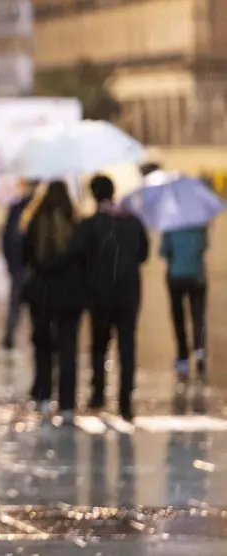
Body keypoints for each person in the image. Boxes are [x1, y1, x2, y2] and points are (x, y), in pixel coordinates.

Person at [68, 175, 149, 421]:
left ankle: (98, 393)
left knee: (99, 345)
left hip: (99, 295)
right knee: (127, 345)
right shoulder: (133, 222)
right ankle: (125, 400)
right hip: (128, 293)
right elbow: (143, 254)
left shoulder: (90, 225)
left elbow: (77, 256)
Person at [19, 181, 84, 422]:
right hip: (70, 296)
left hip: (41, 294)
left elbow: (24, 257)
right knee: (68, 349)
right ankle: (67, 403)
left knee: (42, 345)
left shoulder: (33, 222)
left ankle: (44, 396)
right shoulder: (76, 224)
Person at [160, 225, 208, 385]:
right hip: (197, 276)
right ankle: (200, 350)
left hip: (176, 276)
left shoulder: (170, 225)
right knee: (198, 315)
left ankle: (183, 358)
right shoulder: (200, 224)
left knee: (178, 317)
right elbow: (204, 246)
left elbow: (163, 251)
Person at [1, 179, 39, 355]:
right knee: (17, 307)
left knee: (20, 307)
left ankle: (31, 340)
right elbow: (8, 238)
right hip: (23, 267)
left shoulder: (36, 209)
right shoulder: (19, 208)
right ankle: (9, 340)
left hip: (28, 268)